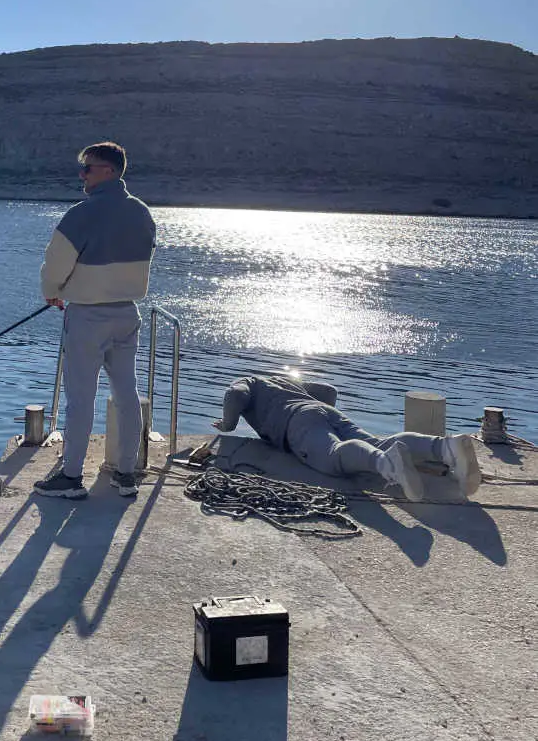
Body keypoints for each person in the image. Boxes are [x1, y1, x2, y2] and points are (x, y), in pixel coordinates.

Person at [35, 142, 157, 500]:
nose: (82, 175)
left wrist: (53, 290)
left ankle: (72, 476)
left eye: (86, 168)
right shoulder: (142, 213)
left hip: (88, 316)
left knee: (80, 396)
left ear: (107, 170)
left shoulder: (81, 214)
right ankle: (126, 473)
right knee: (126, 393)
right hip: (127, 314)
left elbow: (55, 264)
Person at [215, 374, 481, 501]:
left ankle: (386, 465)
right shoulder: (284, 380)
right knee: (378, 441)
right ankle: (446, 447)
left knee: (333, 456)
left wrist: (228, 424)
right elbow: (328, 390)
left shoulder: (248, 381)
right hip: (325, 411)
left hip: (296, 423)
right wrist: (322, 415)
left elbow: (236, 394)